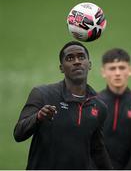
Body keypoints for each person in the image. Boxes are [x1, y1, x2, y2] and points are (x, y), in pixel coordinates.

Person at [13, 41, 113, 170]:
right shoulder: (42, 94)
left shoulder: (99, 106)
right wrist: (38, 117)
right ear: (61, 68)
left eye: (81, 57)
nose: (77, 61)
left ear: (89, 65)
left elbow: (97, 149)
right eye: (70, 58)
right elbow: (18, 133)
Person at [98, 48, 131, 170]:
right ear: (103, 72)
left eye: (122, 68)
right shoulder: (94, 104)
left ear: (130, 70)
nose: (117, 73)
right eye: (112, 68)